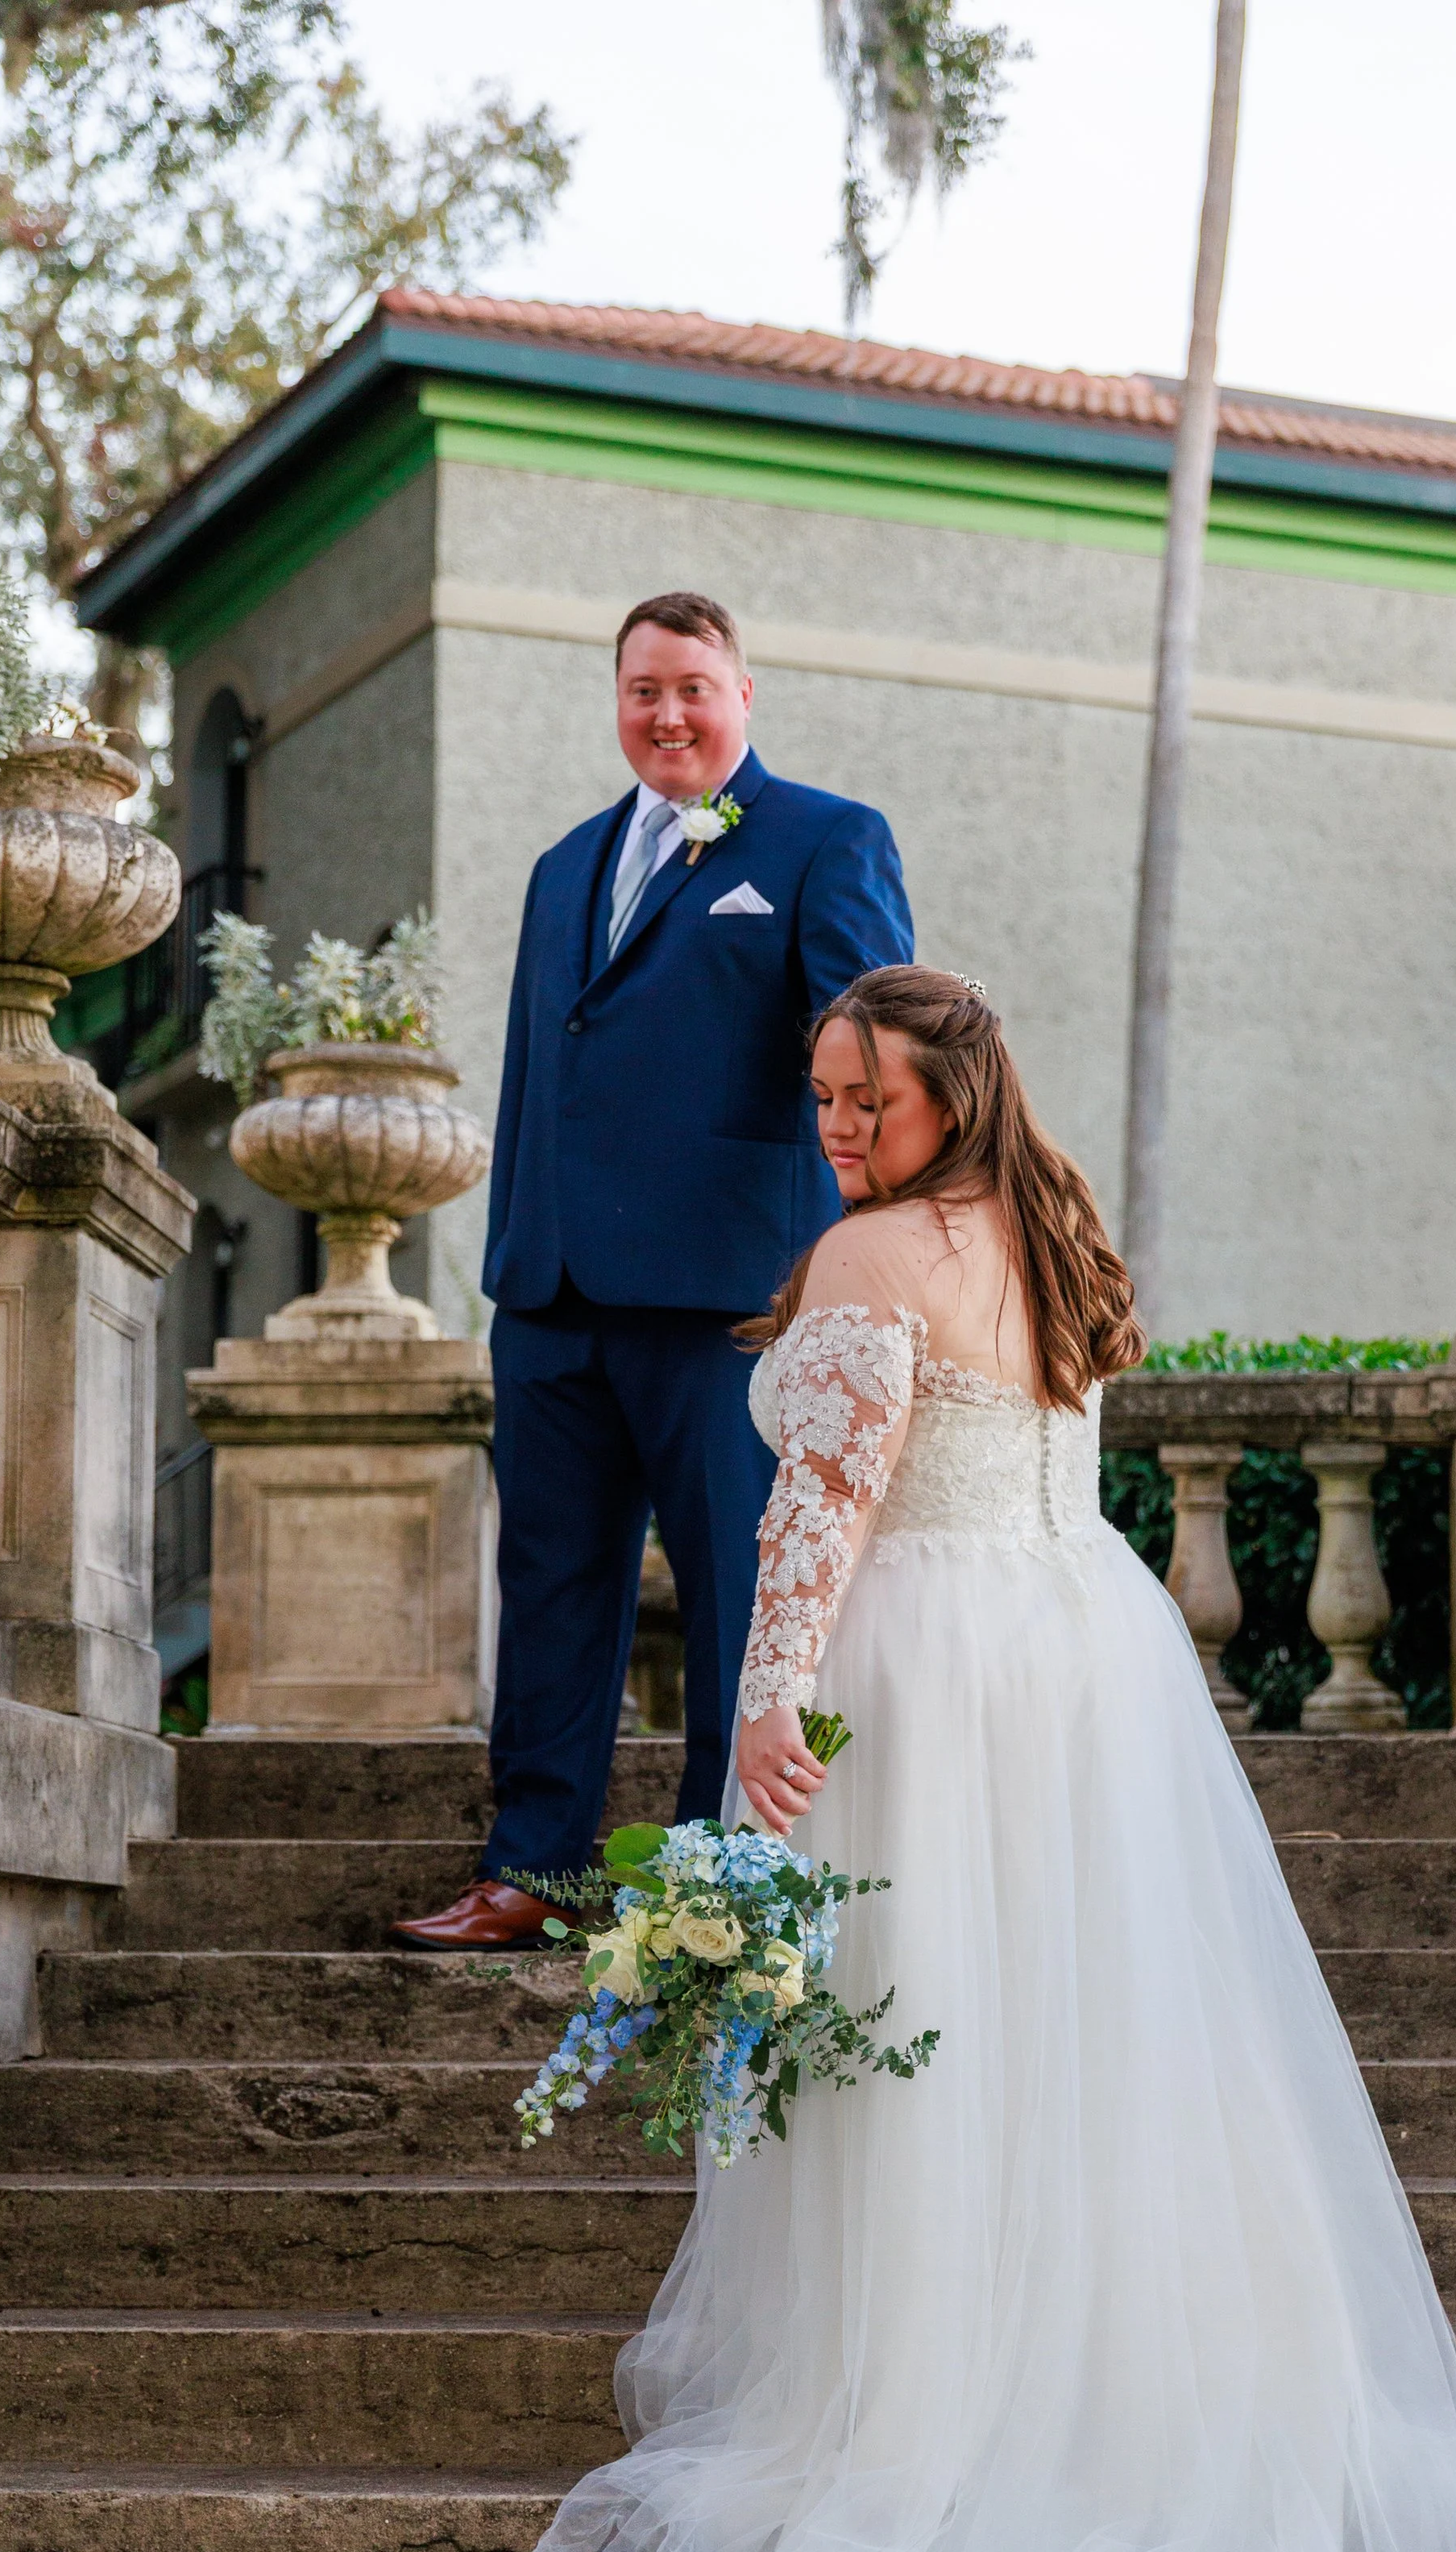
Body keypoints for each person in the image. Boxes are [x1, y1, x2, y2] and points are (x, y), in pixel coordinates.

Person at [520, 965, 1456, 2552]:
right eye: (817, 1098)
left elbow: (816, 1512)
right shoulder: (1051, 1234)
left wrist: (761, 1709)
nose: (830, 1129)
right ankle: (1085, 2386)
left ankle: (937, 2415)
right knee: (1082, 2037)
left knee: (935, 2029)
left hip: (924, 1671)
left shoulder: (871, 1259)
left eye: (858, 1099)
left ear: (943, 1095)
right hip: (1081, 1654)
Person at [392, 593, 914, 1952]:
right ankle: (536, 1871)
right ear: (616, 700)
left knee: (738, 1591)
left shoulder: (824, 839)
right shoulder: (563, 865)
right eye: (642, 690)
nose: (667, 713)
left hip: (729, 1289)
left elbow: (868, 1055)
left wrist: (868, 1249)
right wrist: (514, 1254)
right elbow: (535, 1072)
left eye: (693, 686)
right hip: (553, 1295)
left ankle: (708, 1881)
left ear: (746, 693)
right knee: (553, 1585)